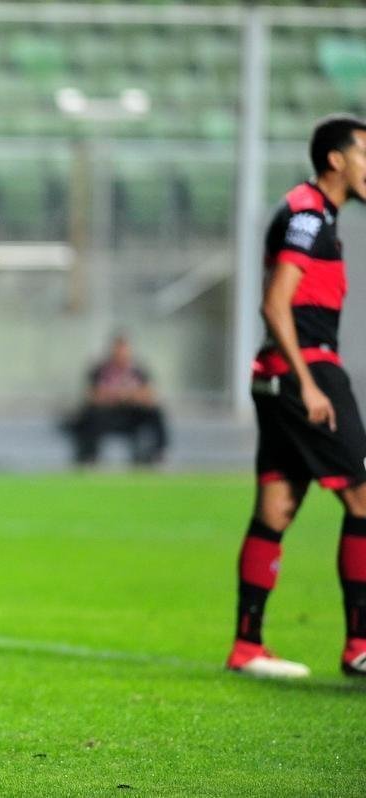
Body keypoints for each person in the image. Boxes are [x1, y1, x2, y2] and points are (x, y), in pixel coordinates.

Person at [227, 114, 366, 679]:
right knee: (363, 500)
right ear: (336, 159)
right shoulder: (308, 216)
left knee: (277, 508)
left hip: (278, 375)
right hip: (304, 370)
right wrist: (307, 382)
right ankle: (359, 644)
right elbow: (276, 302)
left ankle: (247, 646)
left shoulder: (315, 214)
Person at [65, 334, 168, 465]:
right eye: (118, 350)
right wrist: (115, 395)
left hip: (132, 416)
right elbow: (92, 395)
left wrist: (128, 395)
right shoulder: (99, 370)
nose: (121, 354)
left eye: (124, 350)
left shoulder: (138, 371)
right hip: (107, 416)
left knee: (155, 412)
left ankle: (157, 453)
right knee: (89, 415)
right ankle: (89, 456)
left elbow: (149, 395)